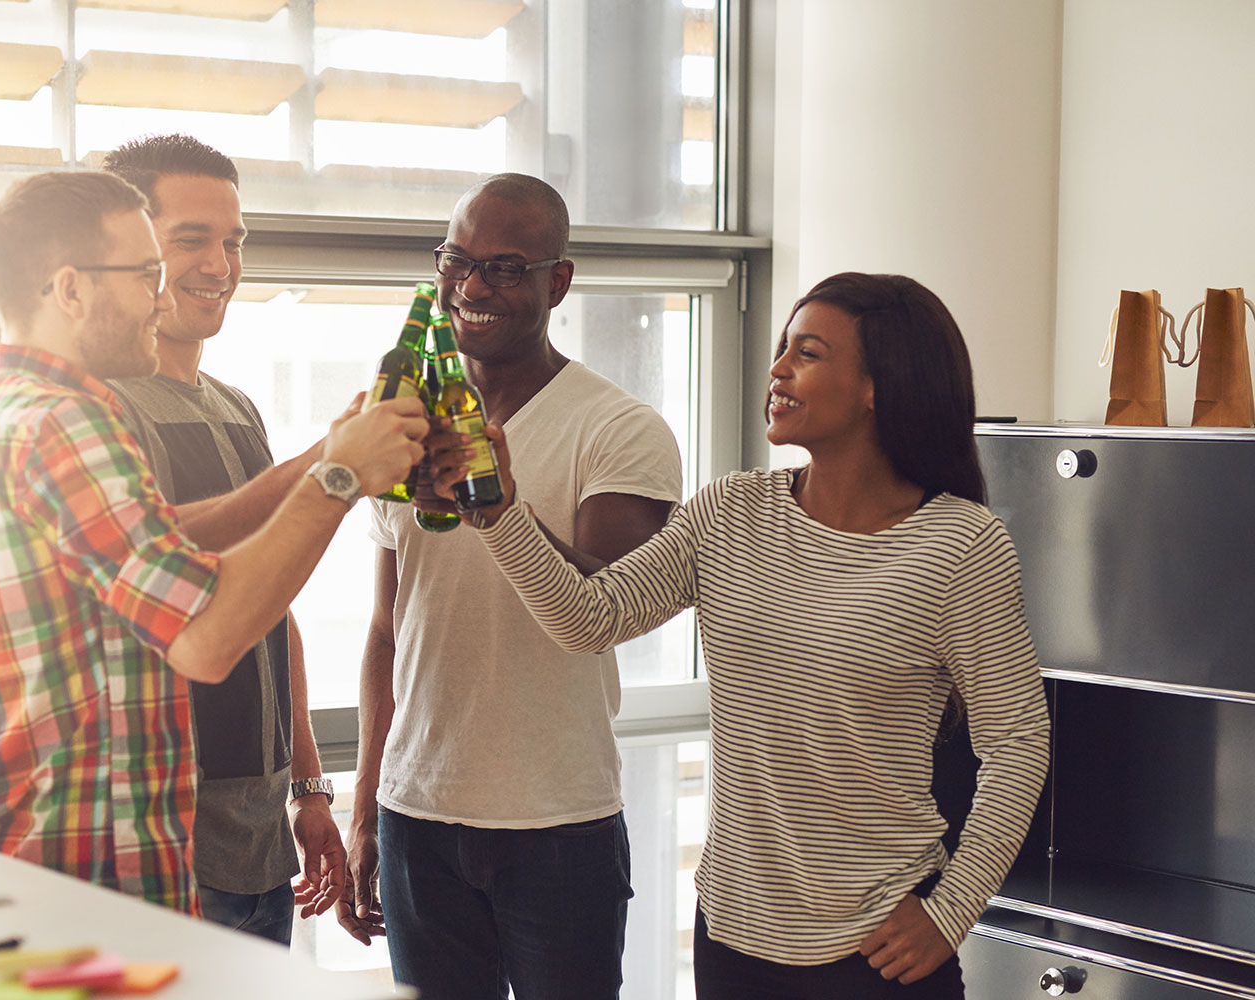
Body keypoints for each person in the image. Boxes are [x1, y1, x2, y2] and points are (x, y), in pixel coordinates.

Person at [440, 272, 1051, 998]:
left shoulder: (959, 545)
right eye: (782, 349)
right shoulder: (732, 510)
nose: (778, 369)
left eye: (809, 353)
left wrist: (952, 910)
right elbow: (589, 618)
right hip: (731, 938)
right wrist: (500, 511)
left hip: (876, 950)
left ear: (876, 388)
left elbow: (1018, 742)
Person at [0, 169, 426, 914]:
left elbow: (154, 549)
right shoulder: (68, 428)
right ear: (71, 289)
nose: (163, 295)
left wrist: (323, 456)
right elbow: (206, 637)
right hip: (93, 896)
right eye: (147, 271)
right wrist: (340, 478)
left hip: (27, 880)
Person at [336, 173, 684, 1000]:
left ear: (557, 282)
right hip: (415, 811)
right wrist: (366, 802)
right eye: (458, 261)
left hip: (557, 824)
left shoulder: (621, 428)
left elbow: (603, 609)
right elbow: (389, 632)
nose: (473, 287)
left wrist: (497, 504)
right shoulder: (404, 425)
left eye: (505, 267)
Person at [100, 134, 346, 942]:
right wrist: (336, 468)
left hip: (262, 841)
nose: (221, 264)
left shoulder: (237, 408)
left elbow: (268, 602)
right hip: (162, 856)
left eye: (234, 241)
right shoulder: (101, 416)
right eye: (192, 240)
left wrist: (308, 789)